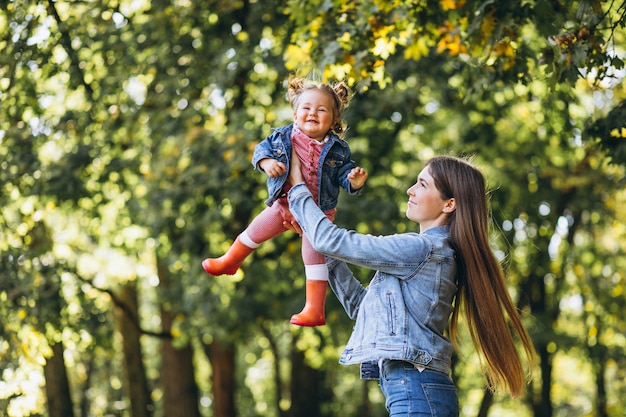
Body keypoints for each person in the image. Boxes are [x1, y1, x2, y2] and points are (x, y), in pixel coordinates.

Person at [285, 152, 535, 416]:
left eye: (422, 184)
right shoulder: (430, 253)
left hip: (418, 393)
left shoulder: (422, 249)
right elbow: (363, 309)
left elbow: (332, 240)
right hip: (416, 391)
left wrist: (299, 188)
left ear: (449, 204)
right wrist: (321, 248)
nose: (410, 190)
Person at [202, 75, 368, 327]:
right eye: (306, 108)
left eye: (321, 110)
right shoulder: (284, 137)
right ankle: (230, 261)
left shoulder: (338, 149)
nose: (313, 113)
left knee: (313, 257)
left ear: (334, 121)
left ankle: (314, 309)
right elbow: (261, 151)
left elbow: (344, 174)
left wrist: (353, 181)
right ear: (294, 115)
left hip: (318, 214)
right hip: (284, 205)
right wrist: (267, 163)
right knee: (254, 231)